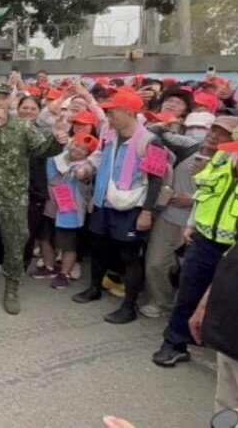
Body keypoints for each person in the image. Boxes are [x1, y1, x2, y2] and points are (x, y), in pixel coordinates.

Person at [152, 111, 238, 367]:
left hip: (237, 244)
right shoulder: (223, 155)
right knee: (188, 292)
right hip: (205, 237)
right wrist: (191, 224)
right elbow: (205, 192)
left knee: (227, 298)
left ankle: (219, 345)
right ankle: (174, 343)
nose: (214, 136)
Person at [0, 83, 66, 314]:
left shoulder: (23, 127)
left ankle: (11, 289)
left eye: (3, 98)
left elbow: (42, 150)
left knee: (14, 244)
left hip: (13, 199)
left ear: (10, 101)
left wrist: (57, 142)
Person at [190, 122, 238, 411]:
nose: (235, 159)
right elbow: (234, 263)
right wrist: (205, 305)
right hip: (233, 341)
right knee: (226, 410)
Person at [72, 90, 167, 324]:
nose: (108, 116)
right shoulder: (109, 136)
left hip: (131, 207)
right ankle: (94, 288)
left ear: (128, 112)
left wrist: (147, 212)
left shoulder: (151, 141)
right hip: (103, 202)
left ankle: (129, 306)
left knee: (129, 257)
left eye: (112, 112)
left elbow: (157, 179)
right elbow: (99, 159)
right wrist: (87, 170)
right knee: (99, 248)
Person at [33, 133, 97, 289]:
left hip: (70, 212)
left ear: (88, 153)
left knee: (68, 245)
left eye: (83, 149)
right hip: (50, 207)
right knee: (44, 238)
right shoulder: (57, 157)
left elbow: (86, 173)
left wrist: (83, 172)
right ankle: (49, 267)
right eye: (76, 144)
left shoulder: (87, 166)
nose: (77, 149)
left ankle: (65, 274)